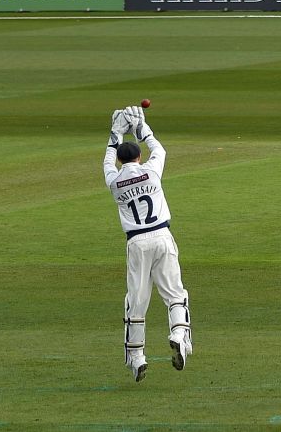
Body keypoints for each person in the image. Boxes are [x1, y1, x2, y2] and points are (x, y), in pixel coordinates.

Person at [103, 104, 192, 380]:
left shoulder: (115, 182)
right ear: (139, 157)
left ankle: (137, 358)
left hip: (137, 243)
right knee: (175, 294)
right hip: (163, 236)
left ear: (120, 161)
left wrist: (114, 134)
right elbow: (160, 151)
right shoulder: (152, 171)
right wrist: (143, 129)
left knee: (137, 302)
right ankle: (179, 334)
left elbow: (106, 164)